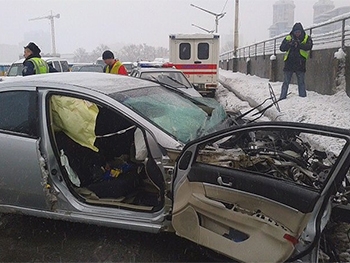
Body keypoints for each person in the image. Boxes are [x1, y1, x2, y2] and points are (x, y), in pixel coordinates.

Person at [279, 22, 313, 100]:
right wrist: (289, 44)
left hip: (300, 63)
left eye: (298, 32)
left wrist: (299, 45)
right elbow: (281, 48)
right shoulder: (289, 38)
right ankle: (282, 97)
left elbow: (309, 46)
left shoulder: (306, 37)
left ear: (301, 31)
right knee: (286, 82)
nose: (297, 34)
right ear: (293, 32)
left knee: (301, 82)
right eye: (296, 32)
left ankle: (302, 97)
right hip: (289, 63)